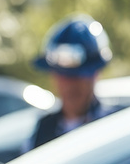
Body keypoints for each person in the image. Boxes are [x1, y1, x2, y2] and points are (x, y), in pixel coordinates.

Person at [24, 15, 116, 152]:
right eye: (63, 76)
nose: (70, 85)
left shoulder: (113, 127)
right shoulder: (42, 130)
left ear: (96, 75)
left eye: (78, 77)